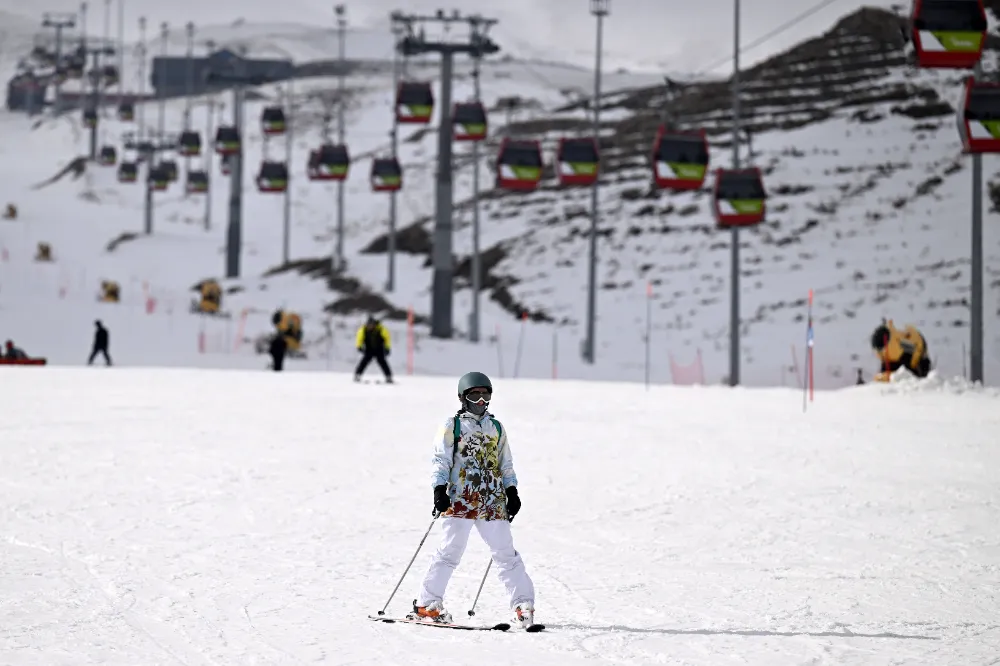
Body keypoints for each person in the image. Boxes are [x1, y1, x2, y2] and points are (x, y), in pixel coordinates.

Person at [413, 371, 536, 628]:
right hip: (460, 500)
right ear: (463, 397)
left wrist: (512, 492)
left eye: (485, 395)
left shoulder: (497, 428)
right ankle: (427, 604)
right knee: (449, 552)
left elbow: (506, 464)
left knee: (506, 555)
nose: (481, 401)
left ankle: (523, 604)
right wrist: (439, 489)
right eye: (475, 395)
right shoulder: (453, 425)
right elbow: (441, 460)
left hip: (492, 502)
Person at [354, 316, 392, 383]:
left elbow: (387, 338)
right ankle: (357, 375)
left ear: (374, 324)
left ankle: (388, 377)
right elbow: (359, 338)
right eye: (369, 325)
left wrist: (387, 348)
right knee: (364, 362)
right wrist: (359, 346)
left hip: (379, 349)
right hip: (369, 349)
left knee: (382, 362)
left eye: (371, 325)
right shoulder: (363, 330)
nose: (370, 326)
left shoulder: (381, 329)